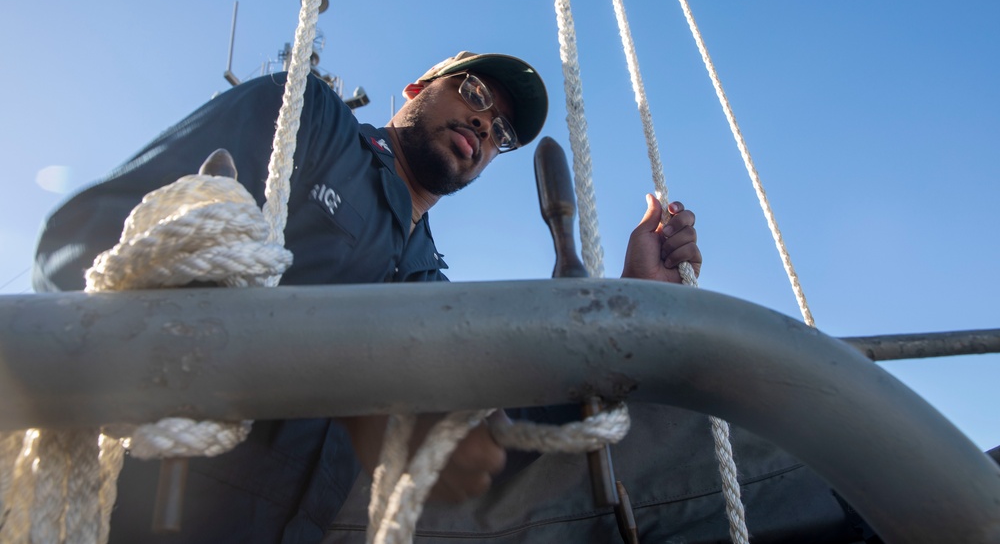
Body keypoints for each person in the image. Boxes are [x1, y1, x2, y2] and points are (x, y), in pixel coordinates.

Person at [33, 51, 702, 542]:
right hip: (125, 509)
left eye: (499, 129)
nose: (482, 117)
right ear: (416, 87)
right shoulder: (308, 122)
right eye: (472, 89)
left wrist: (633, 306)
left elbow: (501, 429)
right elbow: (84, 247)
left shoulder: (429, 288)